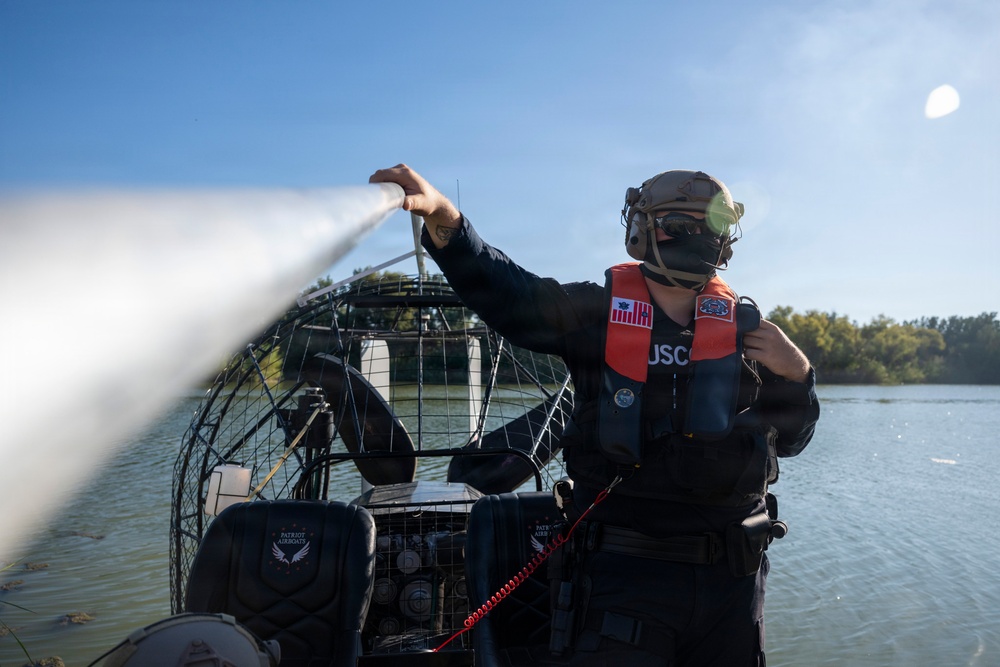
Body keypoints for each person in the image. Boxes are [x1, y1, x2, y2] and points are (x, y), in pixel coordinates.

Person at [370, 163, 819, 666]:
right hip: (623, 581)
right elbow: (509, 293)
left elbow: (794, 438)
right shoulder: (595, 312)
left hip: (732, 590)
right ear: (641, 228)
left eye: (709, 224)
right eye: (679, 222)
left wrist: (798, 373)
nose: (696, 235)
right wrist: (446, 219)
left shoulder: (753, 333)